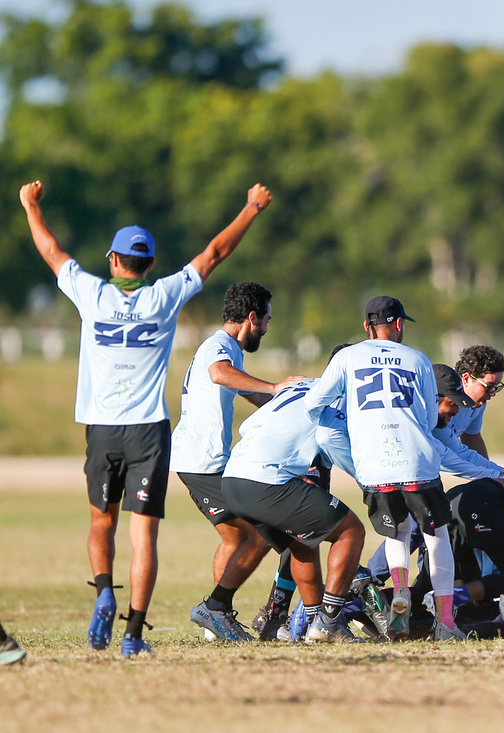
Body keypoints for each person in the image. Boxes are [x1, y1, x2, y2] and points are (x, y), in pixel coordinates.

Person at [20, 179, 272, 658]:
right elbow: (215, 253)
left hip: (102, 427)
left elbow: (51, 251)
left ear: (113, 261)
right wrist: (251, 209)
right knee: (144, 536)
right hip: (149, 432)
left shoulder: (92, 294)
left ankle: (103, 593)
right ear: (151, 265)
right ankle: (133, 634)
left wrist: (31, 207)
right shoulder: (163, 296)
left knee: (102, 523)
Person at [304, 295, 464, 642]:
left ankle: (401, 590)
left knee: (397, 534)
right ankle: (446, 622)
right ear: (399, 324)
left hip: (375, 467)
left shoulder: (347, 356)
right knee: (436, 536)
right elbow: (428, 419)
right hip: (417, 463)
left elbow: (313, 403)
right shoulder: (418, 359)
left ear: (367, 326)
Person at [190, 376, 367, 644]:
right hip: (266, 480)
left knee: (301, 543)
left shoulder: (299, 386)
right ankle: (329, 623)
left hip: (233, 477)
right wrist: (365, 478)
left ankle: (217, 605)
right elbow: (328, 437)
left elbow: (248, 426)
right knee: (350, 531)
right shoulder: (338, 393)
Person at [170, 282, 305, 626]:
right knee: (259, 535)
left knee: (234, 538)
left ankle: (217, 621)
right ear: (252, 317)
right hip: (203, 463)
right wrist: (274, 386)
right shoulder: (219, 347)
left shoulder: (229, 350)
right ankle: (217, 611)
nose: (267, 328)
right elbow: (220, 375)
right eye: (267, 320)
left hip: (204, 460)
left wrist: (289, 403)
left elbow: (249, 393)